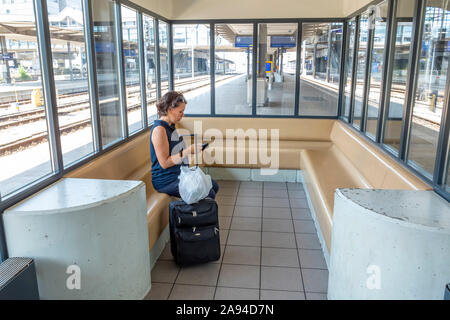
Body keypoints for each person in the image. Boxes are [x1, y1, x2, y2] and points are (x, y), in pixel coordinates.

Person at [150, 91, 219, 199]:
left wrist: (193, 149)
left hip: (180, 174)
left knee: (214, 186)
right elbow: (164, 163)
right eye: (180, 112)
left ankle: (198, 213)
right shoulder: (159, 130)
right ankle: (194, 214)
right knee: (209, 193)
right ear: (169, 110)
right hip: (166, 180)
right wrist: (188, 151)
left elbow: (175, 152)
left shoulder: (170, 126)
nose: (183, 115)